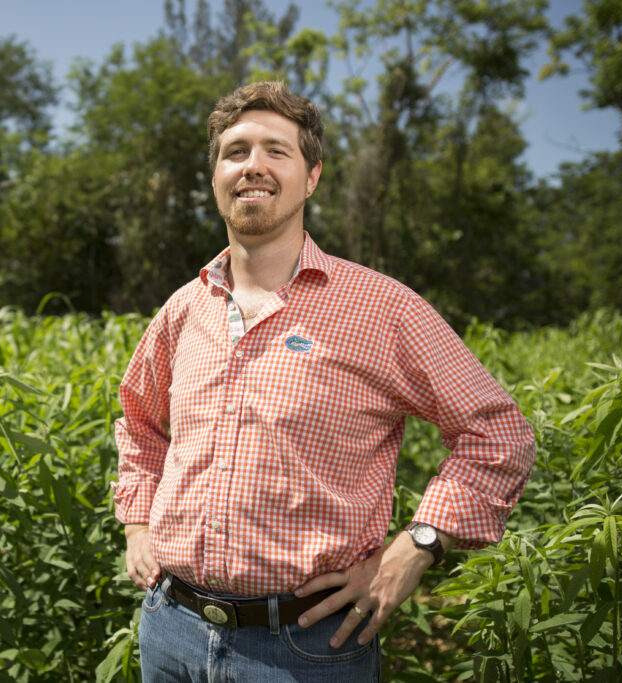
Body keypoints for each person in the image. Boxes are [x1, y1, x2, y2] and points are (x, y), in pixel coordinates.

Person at [112, 81, 536, 682]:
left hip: (307, 648)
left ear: (311, 176)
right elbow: (139, 419)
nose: (252, 166)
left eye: (275, 151)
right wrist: (136, 522)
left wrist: (414, 548)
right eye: (235, 152)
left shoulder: (382, 308)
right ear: (215, 177)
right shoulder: (185, 309)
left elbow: (497, 434)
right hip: (170, 630)